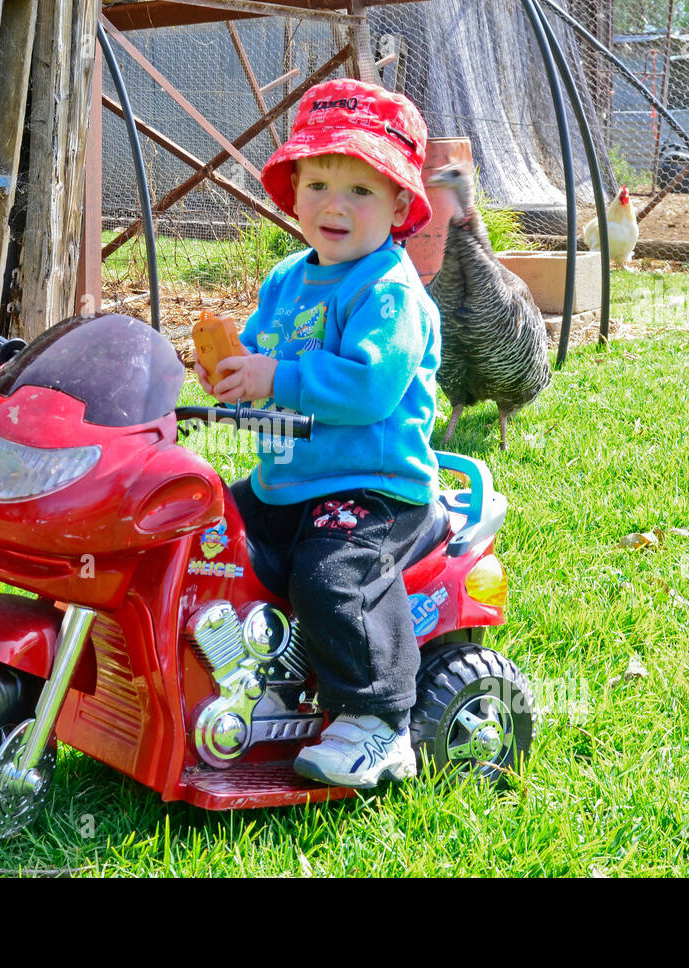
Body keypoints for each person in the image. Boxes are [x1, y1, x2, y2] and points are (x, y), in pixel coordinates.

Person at [193, 78, 446, 788]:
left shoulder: (388, 290)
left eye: (361, 190)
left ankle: (376, 719)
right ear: (293, 191)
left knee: (334, 572)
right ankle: (245, 673)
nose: (336, 204)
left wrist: (276, 378)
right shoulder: (286, 281)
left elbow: (370, 386)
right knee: (198, 531)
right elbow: (263, 366)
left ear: (399, 205)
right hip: (291, 480)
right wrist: (235, 383)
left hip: (371, 485)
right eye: (320, 183)